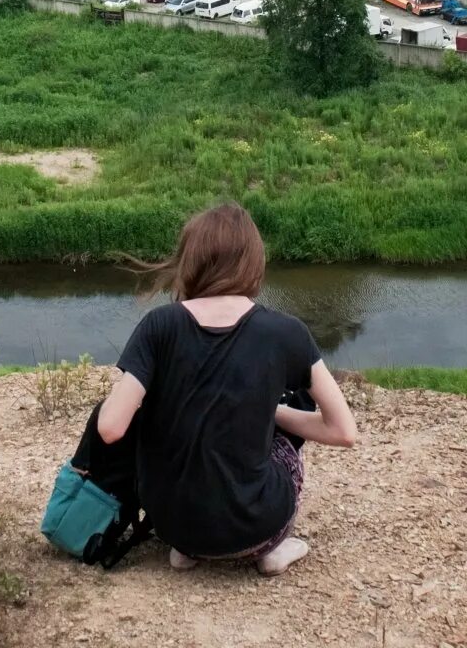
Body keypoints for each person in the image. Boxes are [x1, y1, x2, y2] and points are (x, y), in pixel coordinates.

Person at [95, 203, 359, 577]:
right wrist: (269, 410)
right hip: (257, 529)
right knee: (287, 426)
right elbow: (343, 432)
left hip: (172, 526)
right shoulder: (286, 332)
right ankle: (274, 549)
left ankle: (188, 551)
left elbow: (110, 428)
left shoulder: (159, 325)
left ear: (191, 260)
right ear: (253, 262)